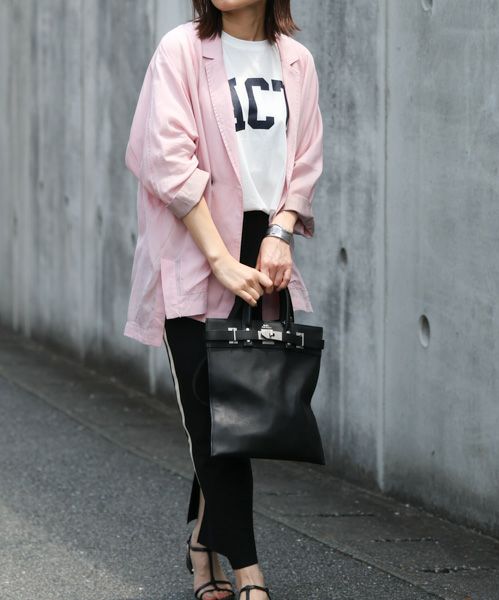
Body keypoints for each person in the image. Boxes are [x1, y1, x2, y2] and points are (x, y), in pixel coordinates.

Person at [123, 1, 323, 598]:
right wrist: (219, 260)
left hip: (263, 253)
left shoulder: (296, 61)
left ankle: (202, 543)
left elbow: (305, 160)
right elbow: (167, 161)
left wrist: (281, 233)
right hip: (195, 248)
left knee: (235, 411)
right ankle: (250, 574)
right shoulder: (181, 50)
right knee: (209, 416)